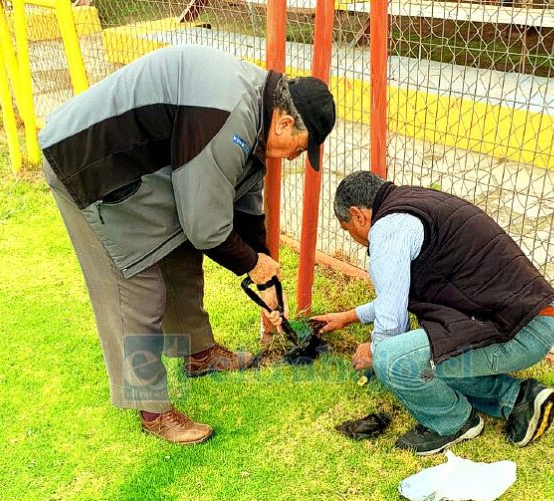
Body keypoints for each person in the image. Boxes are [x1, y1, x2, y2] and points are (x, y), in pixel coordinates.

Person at [40, 45, 336, 444]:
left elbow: (243, 201)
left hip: (136, 164)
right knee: (135, 287)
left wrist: (263, 268)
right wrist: (252, 264)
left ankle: (199, 354)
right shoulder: (230, 115)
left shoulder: (254, 109)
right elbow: (205, 226)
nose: (296, 158)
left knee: (179, 256)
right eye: (299, 149)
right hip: (88, 162)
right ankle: (152, 411)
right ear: (283, 123)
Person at [312, 171, 554, 454]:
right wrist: (349, 316)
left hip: (516, 330)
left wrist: (376, 353)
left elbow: (392, 321)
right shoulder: (411, 204)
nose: (354, 239)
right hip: (528, 319)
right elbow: (397, 294)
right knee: (423, 357)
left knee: (395, 360)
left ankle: (453, 422)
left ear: (358, 216)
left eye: (348, 230)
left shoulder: (386, 230)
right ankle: (518, 398)